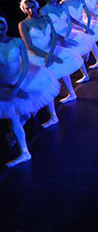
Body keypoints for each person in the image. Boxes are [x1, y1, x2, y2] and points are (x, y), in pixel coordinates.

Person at [1, 16, 60, 167]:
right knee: (13, 118)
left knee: (25, 113)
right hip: (4, 86)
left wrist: (17, 87)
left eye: (1, 28)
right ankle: (24, 152)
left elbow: (25, 65)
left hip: (22, 80)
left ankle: (14, 138)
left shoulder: (16, 42)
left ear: (6, 27)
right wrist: (11, 88)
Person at [19, 0, 82, 104]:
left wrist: (51, 54)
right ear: (24, 10)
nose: (30, 10)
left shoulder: (46, 18)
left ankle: (72, 93)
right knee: (46, 80)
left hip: (51, 49)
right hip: (36, 54)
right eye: (27, 8)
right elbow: (29, 46)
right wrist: (47, 56)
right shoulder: (23, 24)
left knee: (63, 70)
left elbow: (53, 36)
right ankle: (51, 110)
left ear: (37, 6)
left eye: (32, 7)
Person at [40, 0, 96, 81]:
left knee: (76, 52)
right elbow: (49, 29)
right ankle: (69, 85)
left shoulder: (63, 6)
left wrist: (67, 37)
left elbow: (69, 22)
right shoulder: (44, 10)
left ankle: (85, 75)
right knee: (63, 61)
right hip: (55, 36)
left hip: (67, 33)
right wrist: (63, 39)